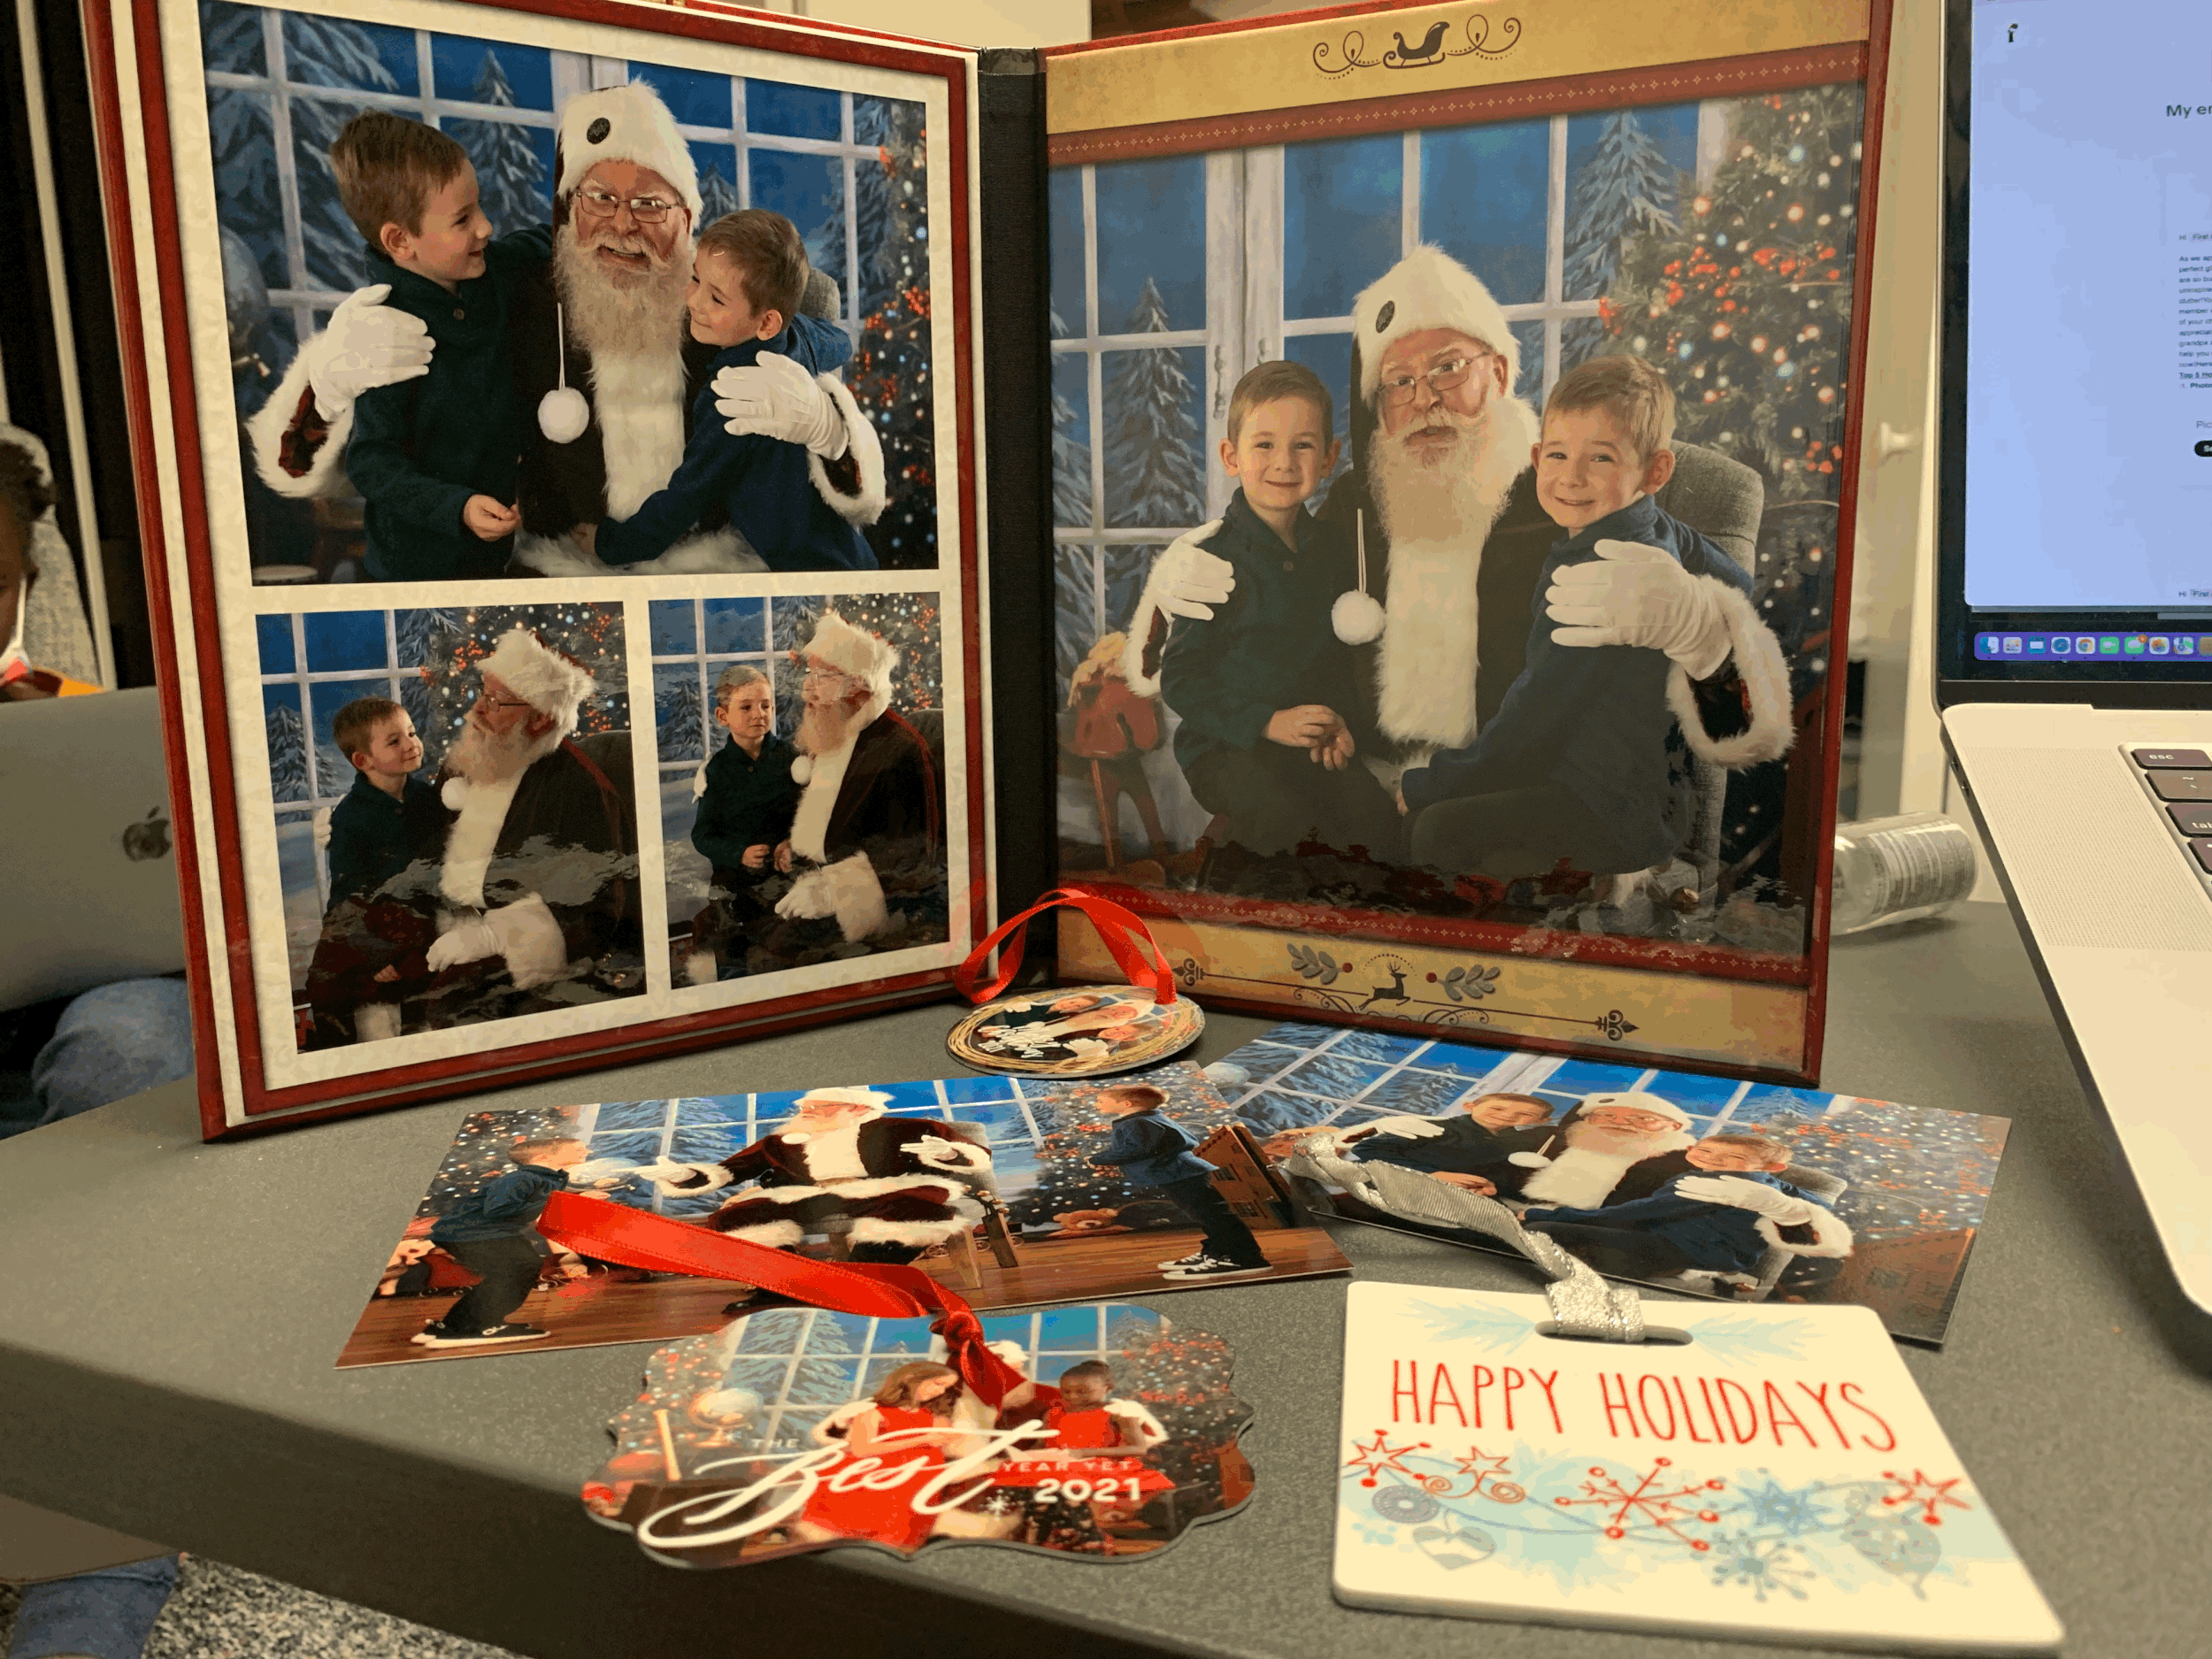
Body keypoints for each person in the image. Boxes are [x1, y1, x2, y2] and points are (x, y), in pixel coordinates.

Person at [1125, 247, 1793, 879]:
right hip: (1368, 769)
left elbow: (1735, 641)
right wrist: (1178, 572)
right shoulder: (1359, 501)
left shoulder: (1566, 497)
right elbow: (1273, 597)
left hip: (1523, 785)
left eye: (1448, 368)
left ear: (1498, 372)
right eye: (1400, 382)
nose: (1424, 399)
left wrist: (1703, 624)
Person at [251, 83, 887, 578]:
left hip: (723, 563)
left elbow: (813, 346)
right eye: (598, 199)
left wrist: (831, 428)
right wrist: (327, 381)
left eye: (649, 204)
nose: (622, 224)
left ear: (689, 217)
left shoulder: (725, 294)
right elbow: (364, 442)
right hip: (566, 565)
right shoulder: (512, 283)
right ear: (567, 210)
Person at [1398, 356, 1758, 876]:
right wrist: (1700, 599)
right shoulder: (1659, 530)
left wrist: (1426, 785)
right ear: (1538, 456)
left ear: (1654, 472)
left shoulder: (1594, 574)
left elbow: (1534, 714)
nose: (1572, 478)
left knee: (1432, 829)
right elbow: (1741, 586)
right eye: (1560, 455)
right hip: (1644, 793)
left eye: (1602, 459)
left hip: (1610, 808)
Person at [309, 626, 641, 1040]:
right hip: (434, 917)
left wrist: (493, 937)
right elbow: (421, 834)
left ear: (539, 719)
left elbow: (597, 910)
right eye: (483, 695)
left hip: (513, 947)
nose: (478, 711)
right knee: (336, 979)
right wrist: (348, 819)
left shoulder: (577, 789)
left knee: (444, 1010)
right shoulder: (471, 759)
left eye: (496, 702)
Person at [1158, 361, 1400, 863]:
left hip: (1308, 742)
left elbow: (1335, 660)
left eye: (1303, 445)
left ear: (1330, 457)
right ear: (1231, 456)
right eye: (1264, 445)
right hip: (1227, 745)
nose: (1284, 463)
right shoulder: (1212, 562)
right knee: (1286, 825)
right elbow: (1181, 679)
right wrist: (1267, 722)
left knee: (1376, 823)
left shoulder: (1330, 551)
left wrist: (1340, 724)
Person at [581, 210, 877, 572]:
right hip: (855, 554)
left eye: (717, 299)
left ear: (767, 322)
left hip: (809, 569)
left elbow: (686, 498)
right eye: (695, 279)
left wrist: (608, 544)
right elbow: (842, 341)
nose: (694, 302)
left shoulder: (732, 398)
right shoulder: (800, 337)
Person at [320, 111, 530, 580]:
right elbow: (372, 463)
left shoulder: (490, 271)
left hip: (497, 562)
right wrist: (456, 508)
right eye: (462, 219)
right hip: (414, 571)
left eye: (479, 207)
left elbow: (537, 245)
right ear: (399, 241)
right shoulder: (385, 335)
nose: (486, 227)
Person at [751, 612, 944, 972]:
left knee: (768, 958)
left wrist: (831, 894)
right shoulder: (835, 730)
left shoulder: (900, 749)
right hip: (807, 882)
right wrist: (794, 846)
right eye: (809, 675)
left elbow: (911, 860)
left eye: (821, 678)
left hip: (869, 912)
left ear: (858, 686)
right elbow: (828, 819)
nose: (807, 689)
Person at [636, 1087, 992, 1270]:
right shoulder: (781, 1141)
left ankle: (864, 1277)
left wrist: (947, 1154)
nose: (805, 1115)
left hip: (889, 1191)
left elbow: (975, 1155)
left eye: (816, 1110)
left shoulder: (909, 1128)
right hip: (811, 1195)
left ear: (858, 1109)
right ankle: (779, 1282)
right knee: (741, 1213)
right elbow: (731, 1170)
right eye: (804, 1109)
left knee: (910, 1208)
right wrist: (684, 1175)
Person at [1522, 1131, 1852, 1287]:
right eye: (1705, 1151)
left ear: (1773, 1168)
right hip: (1688, 1246)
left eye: (1730, 1158)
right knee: (1585, 1239)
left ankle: (1680, 1276)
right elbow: (1821, 1207)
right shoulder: (1771, 1184)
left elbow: (1636, 1212)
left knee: (1544, 1231)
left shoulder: (1713, 1184)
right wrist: (1787, 1197)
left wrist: (1543, 1214)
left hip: (1680, 1248)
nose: (1711, 1160)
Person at [680, 664, 803, 985]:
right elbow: (703, 836)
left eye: (765, 706)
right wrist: (738, 853)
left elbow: (806, 813)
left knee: (792, 930)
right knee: (730, 930)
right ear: (723, 717)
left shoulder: (789, 758)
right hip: (736, 877)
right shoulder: (717, 772)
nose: (758, 714)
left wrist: (791, 844)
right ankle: (737, 972)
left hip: (784, 871)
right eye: (746, 707)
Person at [413, 1136, 589, 1347]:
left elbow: (541, 1201)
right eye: (578, 1149)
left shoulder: (547, 1177)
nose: (586, 1151)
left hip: (489, 1232)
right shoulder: (518, 1179)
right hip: (472, 1233)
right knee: (516, 1272)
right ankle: (476, 1328)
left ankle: (451, 1326)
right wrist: (561, 1203)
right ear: (544, 1157)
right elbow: (498, 1209)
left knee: (518, 1270)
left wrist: (577, 1197)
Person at [1089, 1083, 1271, 1281]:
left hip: (1180, 1174)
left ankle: (1244, 1259)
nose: (1097, 1104)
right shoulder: (1146, 1119)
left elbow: (1135, 1149)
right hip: (1178, 1173)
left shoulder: (1137, 1123)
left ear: (1127, 1103)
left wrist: (1097, 1159)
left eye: (1101, 1101)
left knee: (1213, 1216)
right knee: (1207, 1216)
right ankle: (1217, 1252)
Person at [790, 1363, 964, 1549]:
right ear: (911, 1379)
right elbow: (862, 1449)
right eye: (937, 1383)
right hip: (875, 1478)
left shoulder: (936, 1416)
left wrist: (939, 1438)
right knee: (851, 1537)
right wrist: (921, 1440)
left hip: (914, 1482)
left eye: (946, 1387)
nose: (940, 1391)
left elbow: (940, 1442)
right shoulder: (873, 1412)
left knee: (899, 1537)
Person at [320, 696, 442, 910]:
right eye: (394, 741)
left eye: (412, 733)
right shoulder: (350, 817)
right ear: (362, 760)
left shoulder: (427, 797)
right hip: (383, 924)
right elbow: (346, 892)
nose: (412, 744)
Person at [1341, 1090, 1554, 1187]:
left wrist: (1490, 1185)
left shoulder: (1519, 1144)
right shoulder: (1436, 1127)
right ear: (1470, 1106)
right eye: (1497, 1108)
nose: (1508, 1116)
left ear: (1542, 1121)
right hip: (1391, 1184)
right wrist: (1433, 1174)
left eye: (1524, 1115)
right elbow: (1368, 1150)